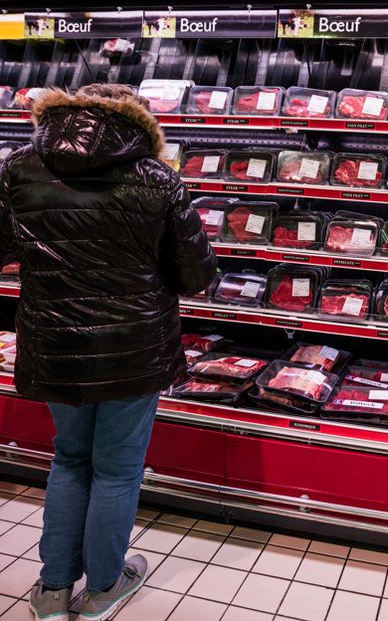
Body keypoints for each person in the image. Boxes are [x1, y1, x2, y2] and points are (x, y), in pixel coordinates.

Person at [0, 84, 216, 621]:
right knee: (117, 471)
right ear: (137, 120)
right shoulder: (156, 177)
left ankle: (51, 591)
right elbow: (195, 276)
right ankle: (102, 588)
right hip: (132, 349)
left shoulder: (19, 168)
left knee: (69, 460)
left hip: (54, 344)